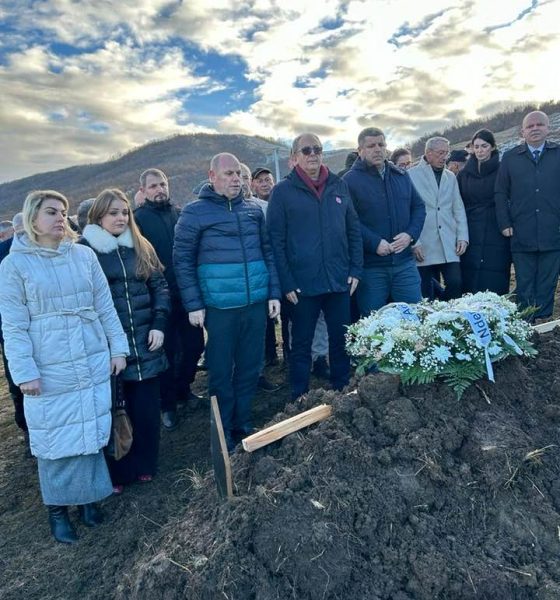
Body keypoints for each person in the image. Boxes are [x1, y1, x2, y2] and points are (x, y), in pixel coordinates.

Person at [0, 190, 129, 544]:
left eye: (63, 211)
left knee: (89, 428)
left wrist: (117, 348)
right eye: (51, 212)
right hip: (48, 362)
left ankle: (88, 501)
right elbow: (14, 325)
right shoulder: (14, 265)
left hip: (89, 354)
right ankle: (57, 511)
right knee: (55, 436)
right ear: (32, 218)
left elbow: (105, 306)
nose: (60, 217)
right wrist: (24, 372)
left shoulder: (83, 256)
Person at [173, 153, 281, 452]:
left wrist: (273, 292)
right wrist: (194, 304)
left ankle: (242, 423)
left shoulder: (253, 210)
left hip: (255, 303)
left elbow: (267, 251)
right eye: (229, 174)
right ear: (212, 176)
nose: (236, 179)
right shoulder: (194, 213)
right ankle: (222, 433)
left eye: (239, 174)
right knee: (221, 373)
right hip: (219, 308)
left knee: (250, 367)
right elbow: (182, 260)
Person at [81, 189, 169, 493]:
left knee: (146, 410)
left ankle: (145, 464)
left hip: (145, 342)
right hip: (107, 348)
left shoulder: (142, 245)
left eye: (124, 212)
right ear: (98, 216)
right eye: (113, 213)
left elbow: (160, 287)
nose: (120, 218)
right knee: (114, 410)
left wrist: (159, 324)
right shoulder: (85, 252)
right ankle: (118, 471)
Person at [268, 133, 362, 400]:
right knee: (301, 344)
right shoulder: (282, 192)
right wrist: (286, 282)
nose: (313, 154)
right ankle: (299, 397)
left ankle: (342, 392)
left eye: (317, 149)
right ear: (294, 157)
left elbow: (353, 229)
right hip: (302, 285)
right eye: (306, 150)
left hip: (338, 280)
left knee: (340, 340)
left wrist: (355, 269)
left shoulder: (339, 186)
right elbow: (275, 241)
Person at [135, 168, 204, 430]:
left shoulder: (180, 214)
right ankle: (168, 404)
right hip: (159, 299)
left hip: (186, 294)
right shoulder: (138, 220)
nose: (159, 189)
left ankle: (185, 388)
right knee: (168, 352)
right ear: (143, 190)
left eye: (162, 184)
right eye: (153, 186)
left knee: (195, 345)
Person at [344, 127, 426, 315]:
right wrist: (374, 243)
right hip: (371, 268)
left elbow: (419, 207)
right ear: (360, 150)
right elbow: (348, 220)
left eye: (381, 144)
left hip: (404, 264)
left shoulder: (401, 176)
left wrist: (410, 235)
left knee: (414, 318)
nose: (377, 149)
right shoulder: (349, 181)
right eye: (371, 146)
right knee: (374, 322)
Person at [495, 110, 560, 321]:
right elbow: (500, 192)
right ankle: (524, 323)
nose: (535, 129)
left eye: (539, 124)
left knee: (547, 282)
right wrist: (504, 222)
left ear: (548, 128)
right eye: (530, 126)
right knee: (524, 282)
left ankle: (543, 323)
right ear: (522, 131)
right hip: (521, 232)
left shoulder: (558, 154)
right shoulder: (510, 157)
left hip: (553, 232)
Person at [408, 137, 469, 300]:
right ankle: (433, 315)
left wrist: (462, 237)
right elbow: (406, 211)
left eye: (446, 153)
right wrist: (414, 242)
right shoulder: (411, 175)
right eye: (440, 153)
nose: (444, 157)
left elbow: (458, 208)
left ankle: (450, 313)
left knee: (455, 283)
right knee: (425, 292)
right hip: (424, 243)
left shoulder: (450, 176)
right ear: (428, 153)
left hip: (448, 241)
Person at [239, 163, 281, 392]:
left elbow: (270, 245)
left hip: (261, 278)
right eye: (238, 176)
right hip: (235, 285)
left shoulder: (262, 208)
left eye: (245, 176)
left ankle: (259, 373)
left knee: (260, 330)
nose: (242, 181)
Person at [457, 129, 511, 295]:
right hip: (470, 227)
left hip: (496, 226)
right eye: (476, 146)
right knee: (469, 271)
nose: (480, 150)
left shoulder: (502, 170)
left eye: (484, 146)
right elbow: (458, 202)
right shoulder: (464, 174)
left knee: (495, 269)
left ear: (493, 147)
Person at [0, 213, 27, 447]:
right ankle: (27, 428)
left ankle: (27, 429)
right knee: (18, 380)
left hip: (11, 328)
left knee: (18, 380)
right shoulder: (6, 256)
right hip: (11, 326)